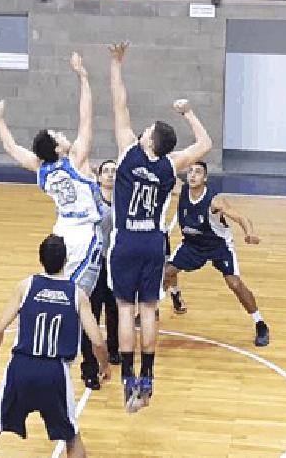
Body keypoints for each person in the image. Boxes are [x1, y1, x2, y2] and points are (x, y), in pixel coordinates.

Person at [108, 41, 213, 412]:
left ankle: (127, 380)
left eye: (148, 128)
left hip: (124, 242)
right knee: (149, 309)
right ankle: (148, 377)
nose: (142, 128)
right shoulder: (170, 165)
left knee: (124, 310)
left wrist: (117, 64)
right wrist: (187, 111)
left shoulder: (126, 151)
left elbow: (119, 104)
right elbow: (206, 143)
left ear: (148, 139)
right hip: (154, 243)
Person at [0, 234, 111, 458]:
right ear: (66, 260)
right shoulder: (77, 294)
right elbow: (97, 342)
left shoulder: (26, 286)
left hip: (20, 368)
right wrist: (104, 366)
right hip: (55, 372)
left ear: (40, 259)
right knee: (72, 437)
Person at [0, 52, 103, 300]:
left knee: (56, 285)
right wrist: (83, 77)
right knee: (76, 295)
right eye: (58, 135)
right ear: (57, 148)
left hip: (60, 229)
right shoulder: (77, 159)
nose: (63, 134)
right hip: (84, 234)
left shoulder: (42, 169)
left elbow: (11, 148)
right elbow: (86, 118)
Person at [163, 161, 271, 346]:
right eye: (190, 172)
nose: (193, 175)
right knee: (167, 272)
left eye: (198, 172)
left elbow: (240, 217)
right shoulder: (180, 191)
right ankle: (175, 297)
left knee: (235, 284)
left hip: (218, 246)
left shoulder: (214, 200)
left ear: (205, 178)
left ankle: (260, 323)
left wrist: (249, 232)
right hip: (192, 245)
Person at [79, 160, 122, 390]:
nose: (111, 175)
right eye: (107, 171)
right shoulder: (93, 199)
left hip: (115, 262)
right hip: (94, 263)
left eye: (114, 171)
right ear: (99, 176)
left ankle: (114, 351)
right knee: (91, 313)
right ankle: (89, 367)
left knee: (114, 308)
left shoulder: (124, 200)